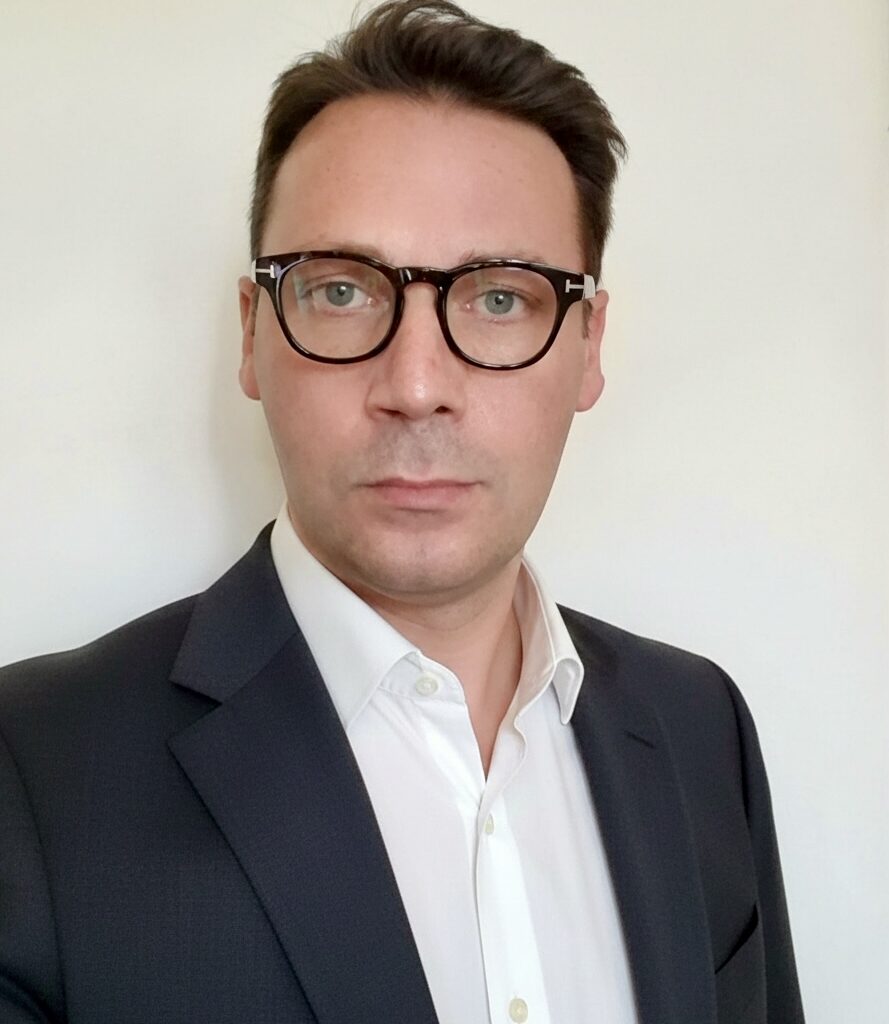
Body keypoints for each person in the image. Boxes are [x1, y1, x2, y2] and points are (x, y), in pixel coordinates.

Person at [0, 2, 804, 1022]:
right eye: (340, 291)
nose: (416, 386)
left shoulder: (699, 730)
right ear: (252, 334)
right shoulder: (31, 768)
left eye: (501, 297)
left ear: (588, 345)